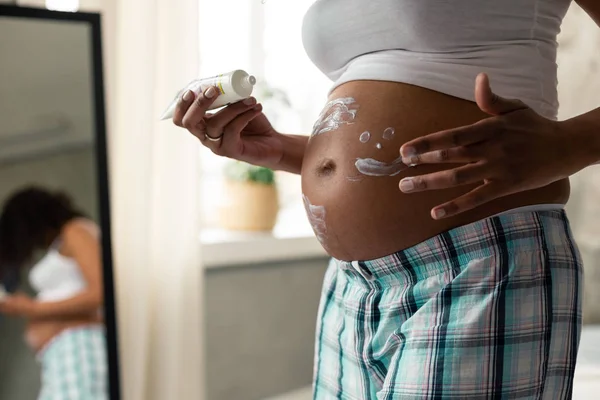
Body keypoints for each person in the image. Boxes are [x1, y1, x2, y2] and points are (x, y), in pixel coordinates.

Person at [173, 0, 600, 397]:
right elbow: (389, 147)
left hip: (483, 257)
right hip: (351, 282)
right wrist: (283, 151)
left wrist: (568, 144)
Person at [0, 187, 107, 400]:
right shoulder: (63, 240)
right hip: (62, 355)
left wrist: (30, 308)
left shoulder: (75, 231)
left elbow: (100, 293)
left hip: (79, 350)